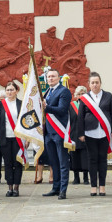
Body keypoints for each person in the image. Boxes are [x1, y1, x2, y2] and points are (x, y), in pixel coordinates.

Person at [77, 72, 112, 196]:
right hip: (90, 133)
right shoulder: (85, 98)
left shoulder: (108, 96)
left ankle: (102, 186)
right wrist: (81, 133)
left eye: (97, 82)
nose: (95, 85)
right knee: (92, 160)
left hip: (104, 133)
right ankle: (93, 186)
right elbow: (80, 117)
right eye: (92, 82)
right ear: (89, 84)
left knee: (103, 160)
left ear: (100, 83)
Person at [41, 68, 72, 199]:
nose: (51, 79)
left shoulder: (64, 91)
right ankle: (55, 187)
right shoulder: (47, 91)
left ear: (59, 78)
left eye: (53, 76)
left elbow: (62, 109)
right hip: (48, 132)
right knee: (53, 162)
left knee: (63, 162)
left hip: (59, 131)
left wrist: (46, 107)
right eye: (48, 77)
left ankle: (63, 190)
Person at [0, 80, 25, 197]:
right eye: (7, 90)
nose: (9, 92)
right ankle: (10, 187)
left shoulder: (21, 104)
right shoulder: (1, 104)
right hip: (4, 138)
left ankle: (16, 187)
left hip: (18, 139)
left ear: (17, 91)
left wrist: (26, 139)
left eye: (12, 90)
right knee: (7, 163)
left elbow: (26, 122)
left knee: (17, 163)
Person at [69, 85, 88, 185]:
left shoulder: (89, 105)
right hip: (73, 134)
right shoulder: (71, 106)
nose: (80, 95)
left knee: (85, 157)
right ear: (75, 95)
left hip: (85, 135)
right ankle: (76, 177)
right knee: (74, 157)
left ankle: (86, 177)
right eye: (79, 94)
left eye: (83, 93)